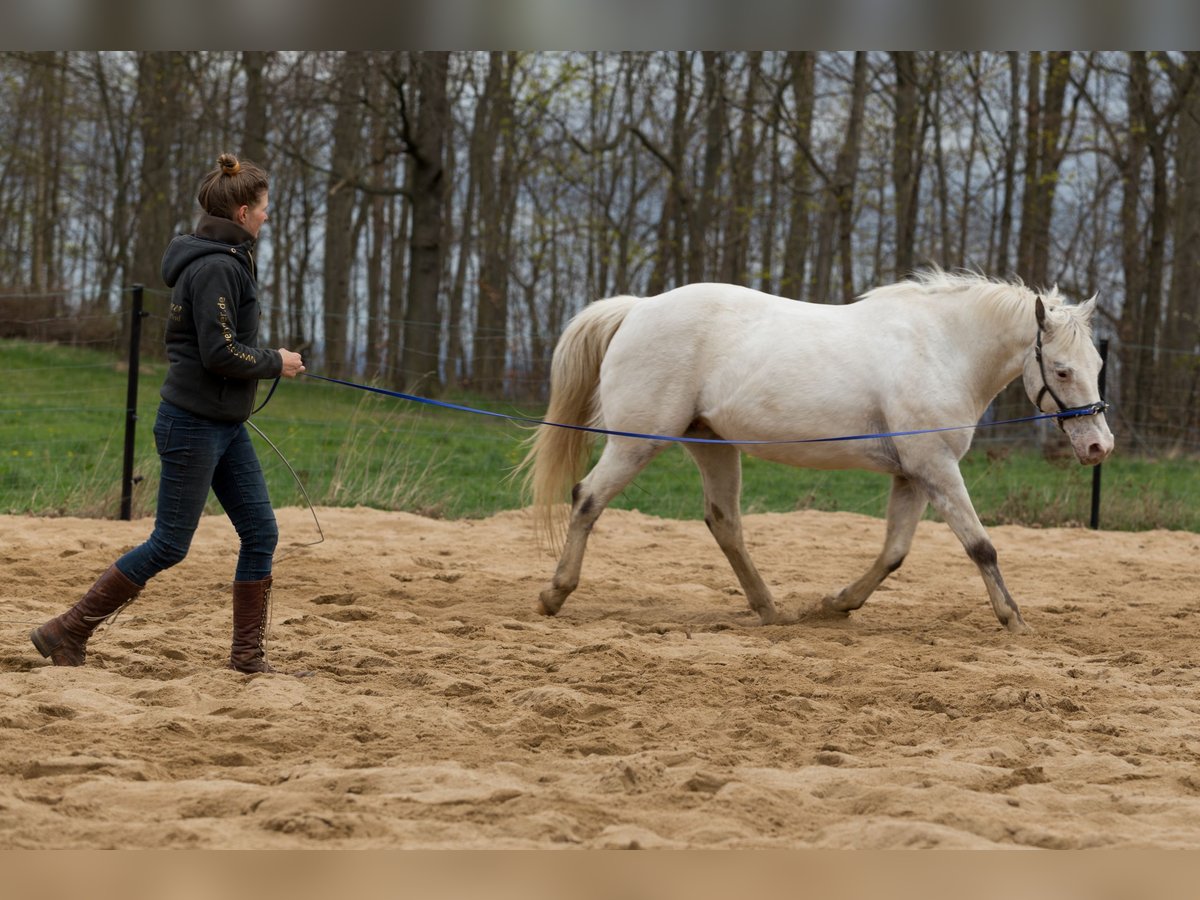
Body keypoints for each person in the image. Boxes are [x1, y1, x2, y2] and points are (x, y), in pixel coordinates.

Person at [31, 153, 306, 674]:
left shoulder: (226, 257)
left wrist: (267, 361)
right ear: (244, 211)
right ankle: (67, 629)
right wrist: (276, 361)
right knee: (170, 544)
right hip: (194, 424)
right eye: (266, 208)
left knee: (261, 532)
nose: (269, 217)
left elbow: (219, 345)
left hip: (222, 423)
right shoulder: (218, 266)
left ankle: (247, 658)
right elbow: (218, 353)